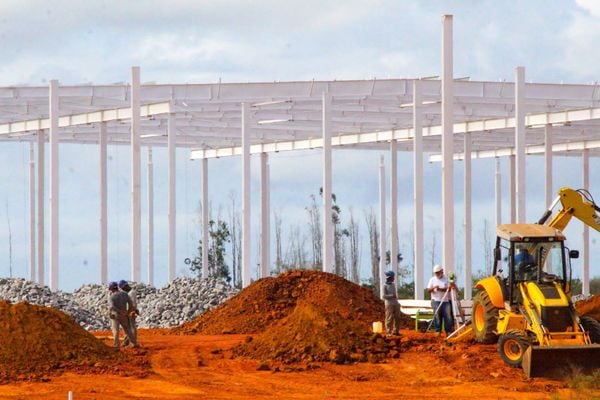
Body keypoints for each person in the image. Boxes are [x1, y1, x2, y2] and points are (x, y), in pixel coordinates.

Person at [108, 281, 138, 348]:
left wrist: (117, 312)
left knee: (115, 330)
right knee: (127, 329)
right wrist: (127, 312)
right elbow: (130, 303)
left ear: (111, 289)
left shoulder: (112, 297)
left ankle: (116, 345)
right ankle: (134, 343)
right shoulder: (124, 294)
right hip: (124, 315)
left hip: (115, 315)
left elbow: (111, 307)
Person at [426, 264, 454, 336]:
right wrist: (434, 288)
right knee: (437, 315)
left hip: (445, 300)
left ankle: (448, 331)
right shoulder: (432, 279)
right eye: (436, 273)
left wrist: (440, 289)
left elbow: (449, 289)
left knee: (448, 315)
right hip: (435, 300)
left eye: (438, 272)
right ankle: (438, 330)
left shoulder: (446, 279)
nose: (437, 274)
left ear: (442, 271)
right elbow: (428, 290)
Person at [119, 280, 139, 346]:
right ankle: (126, 342)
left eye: (123, 288)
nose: (123, 289)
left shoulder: (131, 293)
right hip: (127, 312)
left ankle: (133, 342)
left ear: (125, 286)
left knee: (132, 327)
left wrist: (133, 311)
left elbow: (133, 303)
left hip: (130, 312)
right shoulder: (128, 293)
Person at [382, 270, 401, 336]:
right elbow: (384, 296)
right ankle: (388, 332)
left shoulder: (393, 284)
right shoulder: (384, 285)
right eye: (393, 277)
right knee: (389, 318)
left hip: (395, 303)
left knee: (397, 317)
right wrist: (392, 296)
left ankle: (396, 331)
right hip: (389, 304)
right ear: (390, 277)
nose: (394, 278)